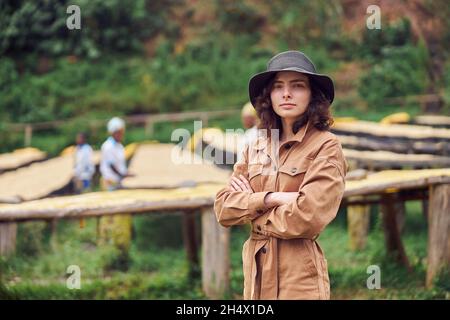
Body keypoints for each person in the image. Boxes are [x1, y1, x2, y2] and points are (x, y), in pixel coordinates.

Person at [214, 51, 347, 300]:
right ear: (269, 96)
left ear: (312, 95)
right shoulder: (256, 145)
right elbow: (223, 209)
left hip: (298, 279)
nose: (286, 93)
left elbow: (308, 216)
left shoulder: (326, 146)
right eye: (278, 87)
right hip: (256, 278)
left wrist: (252, 211)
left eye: (297, 86)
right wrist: (271, 199)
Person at [98, 117, 133, 269]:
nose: (120, 134)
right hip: (110, 182)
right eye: (117, 132)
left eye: (121, 132)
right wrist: (123, 175)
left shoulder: (119, 146)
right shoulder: (108, 146)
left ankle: (120, 243)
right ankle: (106, 242)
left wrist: (126, 174)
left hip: (117, 182)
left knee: (119, 213)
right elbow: (112, 166)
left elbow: (120, 165)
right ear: (112, 132)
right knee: (109, 213)